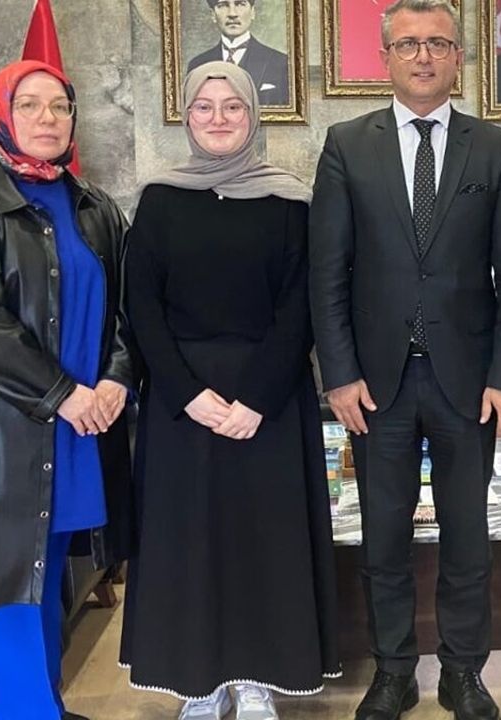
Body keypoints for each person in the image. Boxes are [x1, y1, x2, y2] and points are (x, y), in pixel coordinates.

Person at [310, 1, 501, 718]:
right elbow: (327, 273)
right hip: (376, 383)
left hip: (468, 382)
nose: (424, 56)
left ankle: (463, 672)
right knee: (384, 537)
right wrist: (339, 374)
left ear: (459, 58)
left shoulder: (495, 149)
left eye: (438, 43)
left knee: (469, 537)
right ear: (386, 57)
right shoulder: (348, 145)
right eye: (408, 44)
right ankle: (393, 670)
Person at [118, 61, 340, 720]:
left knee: (264, 545)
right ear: (186, 117)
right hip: (181, 405)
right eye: (204, 108)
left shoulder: (289, 201)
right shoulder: (158, 199)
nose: (218, 119)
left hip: (269, 401)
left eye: (232, 107)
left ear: (253, 115)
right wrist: (186, 392)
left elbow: (303, 305)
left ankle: (257, 681)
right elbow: (141, 307)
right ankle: (199, 683)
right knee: (189, 546)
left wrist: (258, 400)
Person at [0, 59, 133, 720]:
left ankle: (43, 707)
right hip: (0, 429)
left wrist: (116, 377)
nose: (48, 118)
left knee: (43, 574)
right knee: (7, 585)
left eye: (60, 106)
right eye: (30, 105)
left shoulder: (96, 208)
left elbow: (129, 311)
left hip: (80, 425)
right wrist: (63, 392)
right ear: (3, 116)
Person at [187, 0, 289, 106]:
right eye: (223, 5)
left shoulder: (281, 63)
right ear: (213, 15)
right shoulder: (197, 65)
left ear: (252, 12)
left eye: (240, 4)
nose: (232, 14)